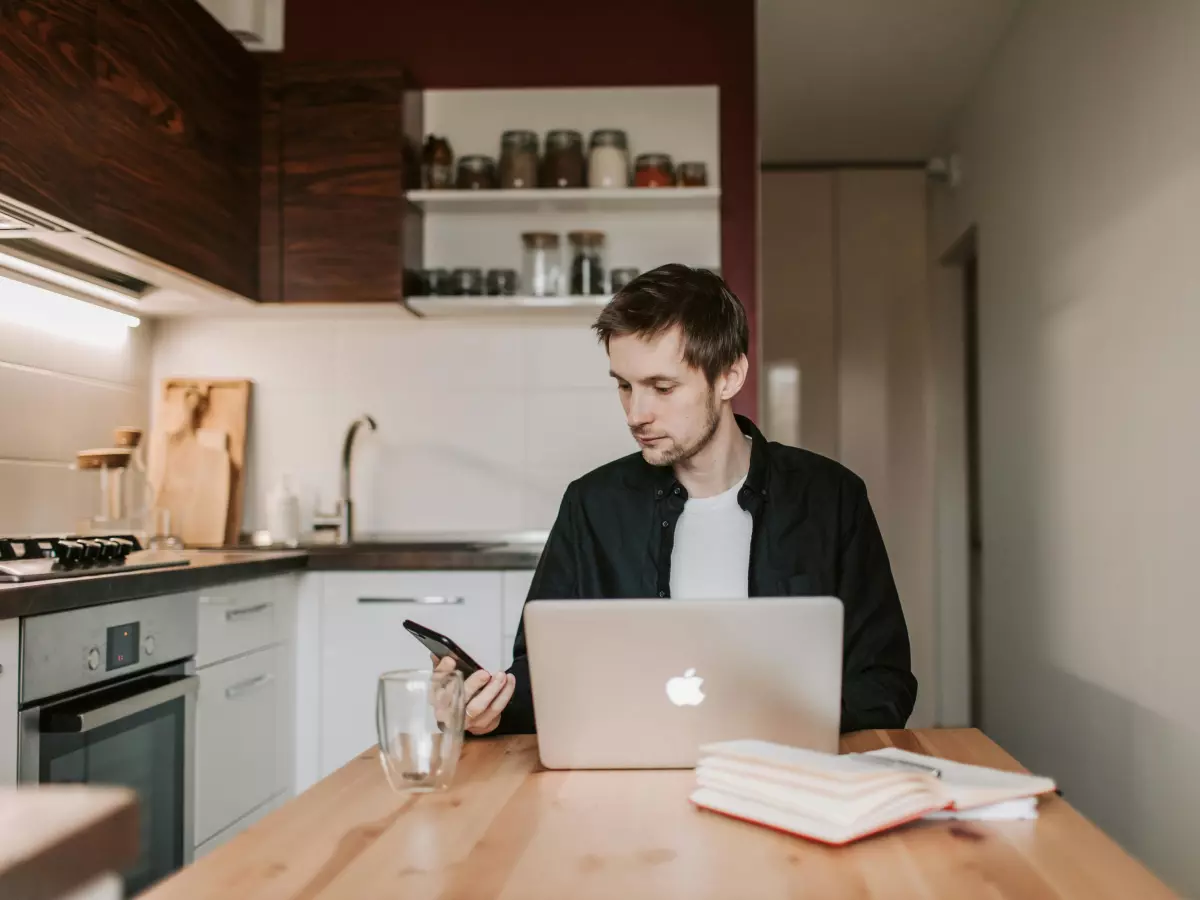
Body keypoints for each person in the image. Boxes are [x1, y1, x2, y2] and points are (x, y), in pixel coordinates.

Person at [435, 263, 917, 736]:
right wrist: (486, 709)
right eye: (624, 386)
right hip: (627, 780)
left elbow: (885, 683)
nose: (636, 414)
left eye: (661, 388)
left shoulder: (831, 497)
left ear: (728, 376)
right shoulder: (591, 505)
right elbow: (539, 674)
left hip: (784, 776)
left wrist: (776, 718)